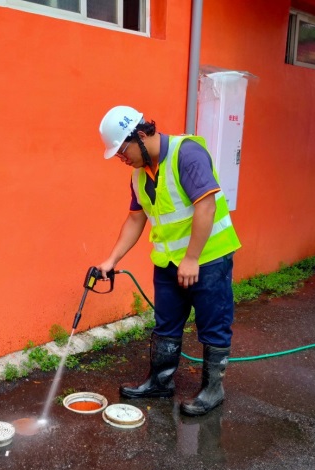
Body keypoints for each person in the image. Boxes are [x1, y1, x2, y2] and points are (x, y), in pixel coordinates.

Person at [96, 105, 241, 416]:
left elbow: (206, 206)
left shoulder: (186, 154)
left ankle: (213, 390)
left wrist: (192, 259)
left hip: (209, 258)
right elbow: (136, 220)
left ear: (141, 134)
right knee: (166, 323)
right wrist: (111, 260)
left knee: (213, 323)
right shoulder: (139, 176)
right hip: (168, 262)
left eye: (123, 150)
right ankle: (161, 382)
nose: (122, 158)